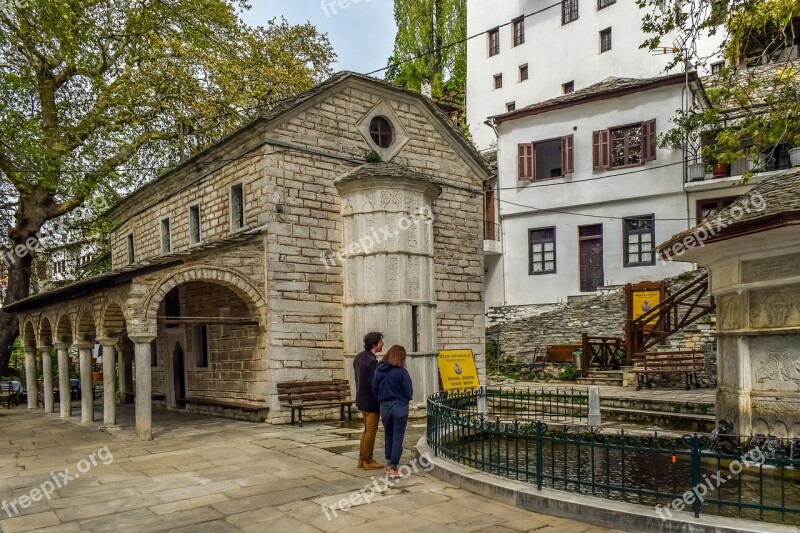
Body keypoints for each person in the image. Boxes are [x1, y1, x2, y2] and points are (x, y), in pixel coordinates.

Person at [372, 345, 413, 479]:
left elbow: (374, 388)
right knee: (397, 437)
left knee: (388, 436)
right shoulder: (402, 372)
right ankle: (394, 469)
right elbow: (408, 391)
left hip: (385, 406)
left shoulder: (379, 370)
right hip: (399, 406)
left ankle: (389, 466)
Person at [353, 332, 384, 470]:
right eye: (381, 341)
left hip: (362, 397)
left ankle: (362, 458)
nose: (382, 344)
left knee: (366, 430)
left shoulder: (359, 357)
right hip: (371, 401)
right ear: (374, 344)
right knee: (371, 430)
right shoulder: (372, 361)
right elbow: (374, 384)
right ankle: (367, 460)